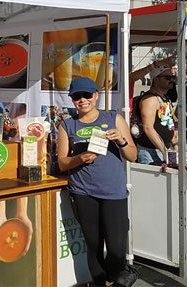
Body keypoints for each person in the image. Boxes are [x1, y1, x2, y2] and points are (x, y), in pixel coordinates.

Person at [57, 77, 138, 286]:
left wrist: (121, 140)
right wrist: (79, 159)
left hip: (113, 190)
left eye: (87, 95)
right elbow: (63, 163)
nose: (82, 100)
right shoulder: (67, 124)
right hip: (83, 191)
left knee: (116, 248)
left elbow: (133, 155)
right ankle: (101, 283)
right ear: (72, 99)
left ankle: (114, 277)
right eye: (77, 96)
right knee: (93, 245)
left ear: (96, 96)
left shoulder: (114, 118)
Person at [134, 65, 176, 164]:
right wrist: (164, 151)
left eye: (173, 77)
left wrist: (173, 147)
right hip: (151, 152)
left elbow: (169, 123)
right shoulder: (150, 99)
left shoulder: (165, 97)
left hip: (165, 149)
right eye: (168, 78)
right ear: (156, 79)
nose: (172, 80)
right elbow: (148, 128)